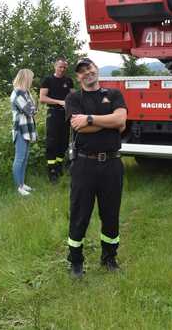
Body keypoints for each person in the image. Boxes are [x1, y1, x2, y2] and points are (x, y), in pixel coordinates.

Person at [65, 57, 127, 278]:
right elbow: (78, 127)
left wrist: (90, 119)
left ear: (96, 69)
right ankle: (75, 261)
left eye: (89, 68)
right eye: (82, 71)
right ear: (78, 77)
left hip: (112, 164)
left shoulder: (114, 94)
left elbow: (121, 121)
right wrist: (108, 122)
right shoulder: (73, 97)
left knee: (110, 214)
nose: (87, 73)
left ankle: (109, 258)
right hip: (84, 164)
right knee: (80, 214)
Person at [39, 58, 75, 183]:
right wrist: (59, 102)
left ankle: (59, 166)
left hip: (65, 115)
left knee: (64, 142)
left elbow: (72, 95)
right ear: (55, 66)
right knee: (52, 142)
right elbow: (42, 98)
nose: (62, 69)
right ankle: (52, 171)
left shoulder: (68, 80)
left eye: (64, 67)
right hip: (53, 113)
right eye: (60, 66)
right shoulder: (48, 80)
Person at [10, 69, 38, 196]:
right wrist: (33, 107)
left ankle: (22, 184)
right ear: (26, 78)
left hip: (27, 128)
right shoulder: (18, 92)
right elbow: (30, 110)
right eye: (31, 78)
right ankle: (18, 187)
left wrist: (33, 107)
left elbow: (33, 108)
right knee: (20, 158)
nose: (32, 80)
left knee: (25, 158)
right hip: (20, 128)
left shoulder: (26, 92)